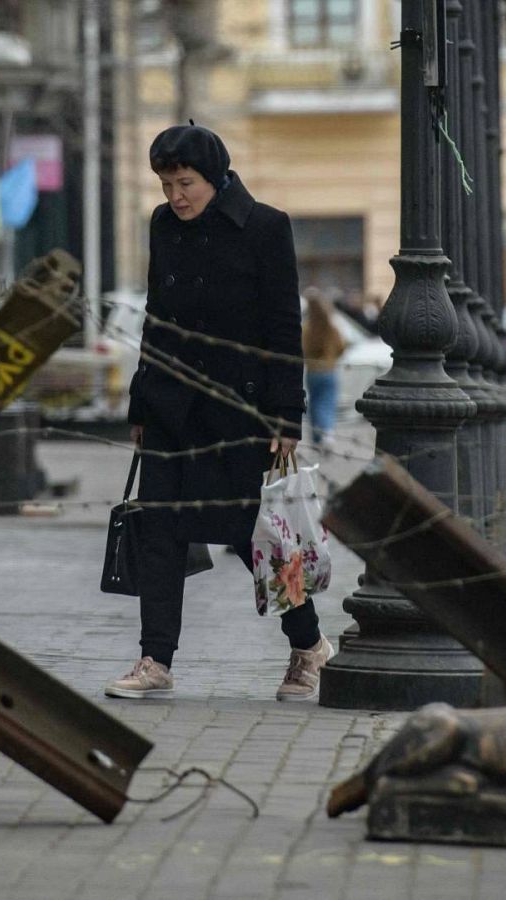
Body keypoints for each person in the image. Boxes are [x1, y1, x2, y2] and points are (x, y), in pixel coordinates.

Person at [107, 123, 332, 703]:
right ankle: (156, 658)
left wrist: (286, 415)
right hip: (169, 407)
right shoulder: (163, 226)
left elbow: (284, 324)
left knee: (253, 537)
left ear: (216, 177)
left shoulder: (264, 227)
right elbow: (156, 314)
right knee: (158, 531)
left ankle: (307, 646)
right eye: (165, 185)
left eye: (185, 183)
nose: (175, 196)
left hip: (239, 410)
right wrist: (140, 399)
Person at [302, 289, 348, 448]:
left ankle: (317, 436)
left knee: (315, 404)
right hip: (329, 369)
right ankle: (327, 432)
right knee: (327, 402)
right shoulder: (331, 326)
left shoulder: (307, 328)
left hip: (313, 371)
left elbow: (303, 349)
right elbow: (342, 346)